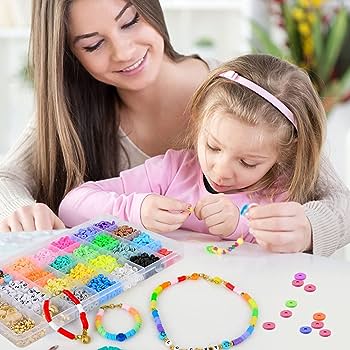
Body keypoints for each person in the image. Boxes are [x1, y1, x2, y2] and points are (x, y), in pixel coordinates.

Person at [0, 1, 349, 257]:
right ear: (70, 55)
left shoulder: (246, 99)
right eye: (93, 44)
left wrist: (307, 229)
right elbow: (7, 181)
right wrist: (22, 213)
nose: (124, 52)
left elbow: (340, 201)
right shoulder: (69, 117)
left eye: (130, 21)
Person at [60, 53, 331, 254]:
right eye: (213, 146)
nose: (221, 170)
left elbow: (283, 259)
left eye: (248, 162)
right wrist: (135, 209)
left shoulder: (280, 195)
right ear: (198, 122)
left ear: (281, 158)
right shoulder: (171, 171)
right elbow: (71, 206)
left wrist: (239, 226)